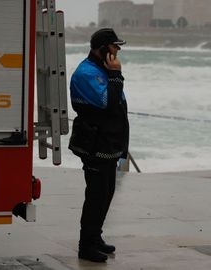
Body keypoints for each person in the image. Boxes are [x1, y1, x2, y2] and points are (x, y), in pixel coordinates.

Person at [68, 28, 129, 263]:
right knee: (96, 195)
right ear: (101, 48)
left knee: (107, 193)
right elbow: (109, 104)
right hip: (95, 145)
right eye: (115, 46)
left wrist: (113, 74)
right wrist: (116, 75)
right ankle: (86, 245)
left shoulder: (101, 69)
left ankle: (95, 237)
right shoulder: (87, 73)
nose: (118, 51)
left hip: (107, 143)